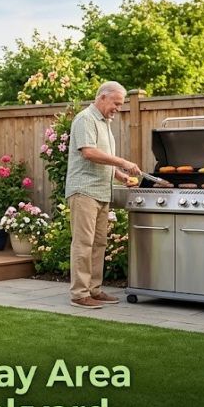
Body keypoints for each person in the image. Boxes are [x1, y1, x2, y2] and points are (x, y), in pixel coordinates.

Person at [65, 81, 141, 309]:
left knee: (99, 243)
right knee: (83, 243)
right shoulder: (85, 119)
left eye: (121, 104)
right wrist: (123, 162)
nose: (118, 108)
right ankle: (79, 294)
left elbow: (103, 160)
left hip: (101, 190)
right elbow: (89, 153)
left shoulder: (104, 122)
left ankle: (94, 290)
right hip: (84, 190)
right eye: (116, 103)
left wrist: (120, 176)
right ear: (102, 97)